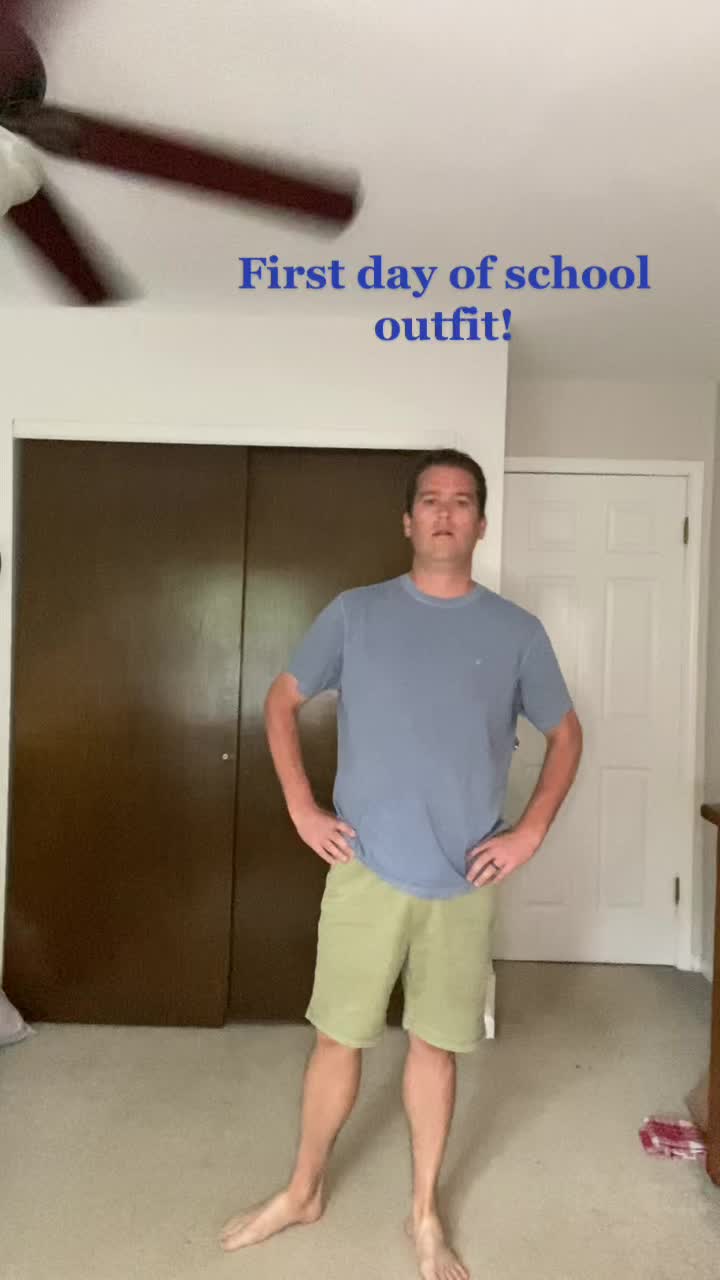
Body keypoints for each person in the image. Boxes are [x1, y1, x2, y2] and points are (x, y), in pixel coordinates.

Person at [220, 448, 583, 1280]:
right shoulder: (356, 614)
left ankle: (424, 1215)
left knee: (434, 1047)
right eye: (431, 500)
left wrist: (529, 832)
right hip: (366, 869)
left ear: (480, 524)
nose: (446, 512)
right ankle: (303, 1190)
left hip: (463, 879)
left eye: (462, 501)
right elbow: (281, 699)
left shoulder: (517, 633)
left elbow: (567, 735)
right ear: (408, 520)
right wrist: (301, 805)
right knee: (336, 1039)